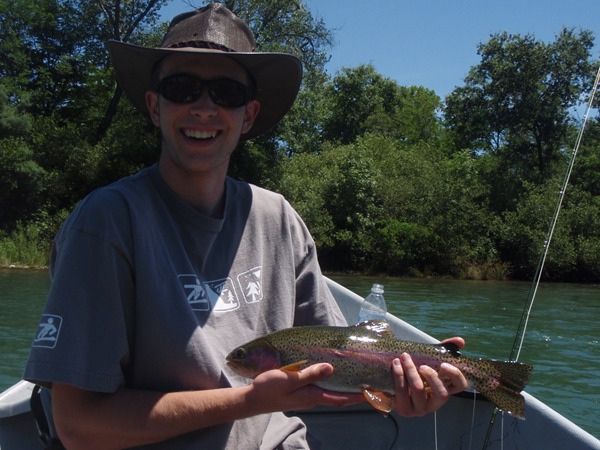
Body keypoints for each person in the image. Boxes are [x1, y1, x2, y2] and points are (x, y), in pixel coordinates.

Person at [24, 4, 467, 449]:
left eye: (226, 92)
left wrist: (403, 386)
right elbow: (79, 426)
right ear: (155, 106)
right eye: (182, 88)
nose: (203, 107)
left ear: (249, 115)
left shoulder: (277, 219)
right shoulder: (105, 224)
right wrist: (247, 401)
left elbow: (335, 364)